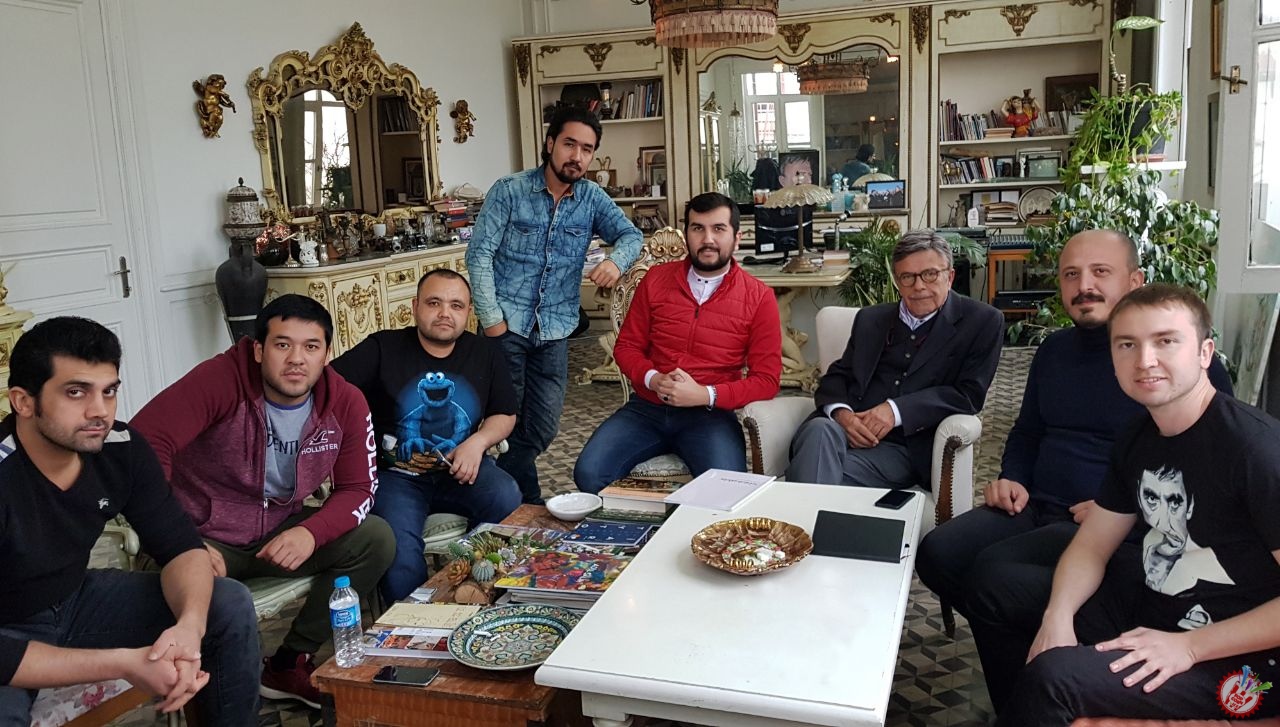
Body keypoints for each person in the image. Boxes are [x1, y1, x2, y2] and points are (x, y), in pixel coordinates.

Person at [915, 230, 1233, 706]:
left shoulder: (1173, 365)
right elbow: (1027, 431)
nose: (1084, 286)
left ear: (1135, 281)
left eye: (1100, 272)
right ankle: (1033, 661)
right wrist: (1012, 477)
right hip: (1036, 503)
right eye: (1071, 275)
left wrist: (1124, 510)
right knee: (939, 553)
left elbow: (1203, 469)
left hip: (1113, 526)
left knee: (993, 577)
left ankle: (1038, 687)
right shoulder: (1054, 351)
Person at [990, 284, 1280, 726]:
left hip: (1247, 662)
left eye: (1166, 341)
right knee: (1006, 594)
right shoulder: (1139, 436)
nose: (1144, 360)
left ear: (1205, 353)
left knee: (1054, 680)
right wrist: (1058, 617)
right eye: (1127, 344)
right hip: (1160, 609)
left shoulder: (1255, 450)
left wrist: (1189, 648)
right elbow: (1092, 546)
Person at [132, 294, 394, 709]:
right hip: (203, 536)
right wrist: (180, 543)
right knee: (211, 596)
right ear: (258, 350)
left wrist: (311, 533)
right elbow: (144, 444)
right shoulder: (221, 380)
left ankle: (289, 663)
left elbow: (358, 489)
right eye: (282, 344)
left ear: (327, 353)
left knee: (375, 538)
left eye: (311, 347)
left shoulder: (344, 401)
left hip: (277, 531)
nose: (297, 359)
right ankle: (217, 699)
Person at [0, 317, 259, 724]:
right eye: (75, 392)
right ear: (23, 401)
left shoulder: (121, 448)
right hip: (7, 627)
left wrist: (189, 627)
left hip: (74, 599)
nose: (99, 411)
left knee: (226, 603)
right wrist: (124, 662)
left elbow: (182, 547)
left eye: (109, 391)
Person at [466, 106, 643, 504]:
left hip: (556, 329)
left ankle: (502, 489)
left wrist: (616, 262)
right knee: (504, 420)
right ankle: (522, 502)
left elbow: (632, 236)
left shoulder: (592, 199)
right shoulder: (509, 191)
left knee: (543, 426)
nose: (576, 156)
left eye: (587, 149)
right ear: (550, 144)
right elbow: (478, 256)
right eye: (569, 144)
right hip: (506, 326)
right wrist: (492, 322)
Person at [331, 269, 521, 602]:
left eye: (456, 305)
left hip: (461, 469)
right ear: (415, 306)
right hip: (395, 476)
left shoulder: (484, 352)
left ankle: (475, 588)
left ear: (468, 312)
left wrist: (477, 443)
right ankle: (413, 619)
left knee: (506, 497)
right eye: (434, 303)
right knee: (398, 548)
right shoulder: (382, 347)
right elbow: (328, 390)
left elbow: (505, 413)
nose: (445, 313)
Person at [574, 193, 782, 493]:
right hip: (647, 408)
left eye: (718, 229)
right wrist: (654, 379)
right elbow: (627, 347)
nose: (707, 239)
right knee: (589, 473)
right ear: (687, 235)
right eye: (698, 228)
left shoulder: (758, 297)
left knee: (727, 490)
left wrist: (705, 394)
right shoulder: (656, 280)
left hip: (710, 415)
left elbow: (767, 381)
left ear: (737, 238)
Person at [786, 230, 1003, 489]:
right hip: (842, 431)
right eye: (907, 277)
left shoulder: (982, 321)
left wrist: (895, 411)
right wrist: (843, 415)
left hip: (904, 447)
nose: (919, 286)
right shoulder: (871, 319)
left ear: (950, 277)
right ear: (897, 281)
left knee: (814, 468)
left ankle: (797, 504)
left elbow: (968, 395)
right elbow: (837, 376)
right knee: (818, 431)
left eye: (930, 274)